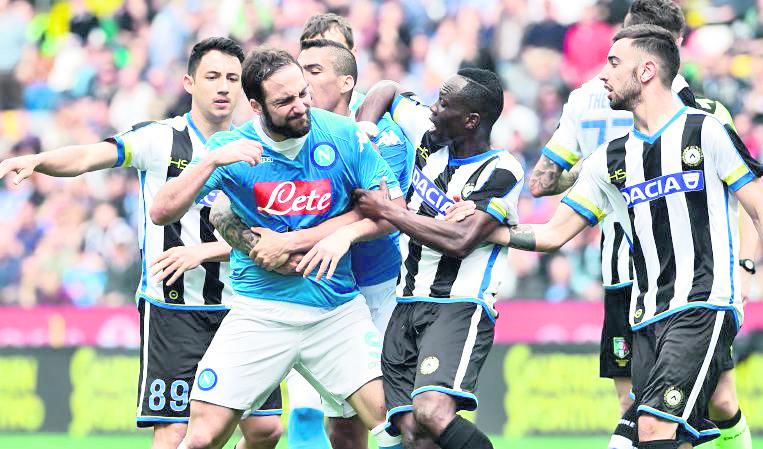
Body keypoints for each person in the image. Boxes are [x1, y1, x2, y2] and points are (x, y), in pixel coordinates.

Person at [449, 25, 763, 449]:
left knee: (654, 429)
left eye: (614, 63)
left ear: (647, 71)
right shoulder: (609, 158)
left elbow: (757, 206)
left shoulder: (704, 131)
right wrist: (487, 227)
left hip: (702, 305)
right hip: (645, 316)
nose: (603, 75)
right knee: (642, 440)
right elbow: (553, 233)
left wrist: (748, 270)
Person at [0, 38, 283, 449]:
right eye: (212, 77)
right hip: (173, 309)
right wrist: (39, 161)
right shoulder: (158, 139)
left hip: (241, 304)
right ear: (189, 82)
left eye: (232, 79)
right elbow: (86, 157)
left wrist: (206, 251)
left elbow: (271, 235)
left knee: (265, 430)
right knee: (173, 433)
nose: (223, 87)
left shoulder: (256, 148)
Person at [148, 46, 404, 449]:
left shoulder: (342, 134)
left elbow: (391, 212)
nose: (302, 106)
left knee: (394, 427)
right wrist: (210, 161)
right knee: (201, 437)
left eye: (304, 93)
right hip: (259, 312)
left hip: (335, 311)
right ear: (256, 106)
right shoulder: (234, 149)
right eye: (285, 101)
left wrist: (310, 239)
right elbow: (161, 211)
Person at [524, 1, 753, 448]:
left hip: (698, 282)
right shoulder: (589, 100)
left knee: (716, 402)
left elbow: (744, 199)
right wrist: (593, 171)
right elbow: (541, 184)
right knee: (639, 411)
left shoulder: (703, 115)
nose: (607, 69)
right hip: (625, 279)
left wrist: (744, 266)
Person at [319, 67, 523, 449]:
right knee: (413, 432)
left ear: (470, 120)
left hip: (457, 304)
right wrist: (364, 129)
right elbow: (387, 89)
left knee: (433, 412)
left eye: (443, 104)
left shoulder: (502, 169)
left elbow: (461, 239)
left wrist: (389, 211)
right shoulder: (428, 139)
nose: (432, 107)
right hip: (406, 304)